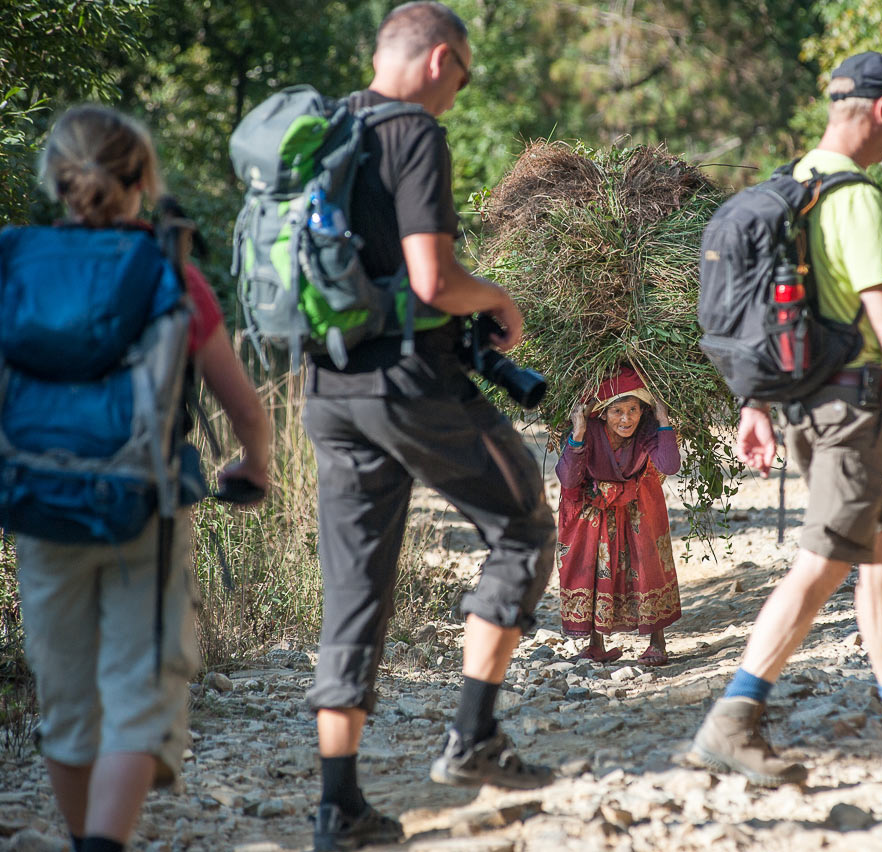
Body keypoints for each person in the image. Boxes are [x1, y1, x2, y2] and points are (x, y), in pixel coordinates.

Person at [298, 4, 557, 849]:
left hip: (329, 389)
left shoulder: (325, 131)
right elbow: (434, 278)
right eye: (465, 76)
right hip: (410, 383)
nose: (460, 92)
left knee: (355, 593)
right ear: (440, 59)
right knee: (522, 525)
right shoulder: (414, 134)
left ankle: (339, 809)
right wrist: (502, 300)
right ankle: (473, 735)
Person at [689, 52, 882, 787]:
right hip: (849, 412)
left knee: (881, 551)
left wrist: (755, 402)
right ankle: (733, 716)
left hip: (803, 406)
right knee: (824, 559)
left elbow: (770, 309)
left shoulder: (794, 188)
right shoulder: (854, 197)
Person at [12, 106, 270, 852]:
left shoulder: (13, 263)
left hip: (35, 505)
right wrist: (255, 464)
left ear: (56, 177)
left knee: (65, 704)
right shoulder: (168, 272)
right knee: (137, 693)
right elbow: (245, 408)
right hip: (142, 508)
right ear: (143, 179)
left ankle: (83, 837)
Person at [556, 366, 682, 665]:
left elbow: (669, 465)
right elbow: (568, 479)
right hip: (594, 508)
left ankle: (657, 641)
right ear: (602, 413)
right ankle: (595, 643)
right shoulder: (590, 431)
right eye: (617, 411)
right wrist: (578, 432)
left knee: (646, 561)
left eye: (633, 410)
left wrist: (663, 420)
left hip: (638, 504)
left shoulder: (648, 429)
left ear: (643, 411)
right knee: (594, 567)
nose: (626, 419)